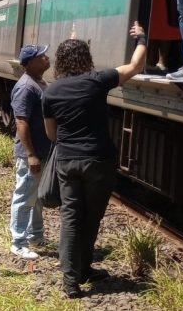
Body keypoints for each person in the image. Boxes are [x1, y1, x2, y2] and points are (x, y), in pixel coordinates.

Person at [43, 22, 146, 298]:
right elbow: (135, 66)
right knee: (91, 218)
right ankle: (84, 269)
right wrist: (141, 38)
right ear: (86, 59)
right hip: (98, 161)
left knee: (70, 218)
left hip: (67, 161)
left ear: (60, 61)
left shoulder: (51, 92)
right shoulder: (98, 81)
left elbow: (52, 134)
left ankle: (71, 282)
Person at [8, 45, 53, 261]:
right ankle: (18, 243)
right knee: (25, 196)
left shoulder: (39, 83)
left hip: (42, 150)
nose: (47, 58)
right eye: (41, 56)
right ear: (30, 62)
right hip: (32, 153)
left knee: (36, 197)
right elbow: (21, 122)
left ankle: (35, 236)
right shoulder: (26, 87)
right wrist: (31, 154)